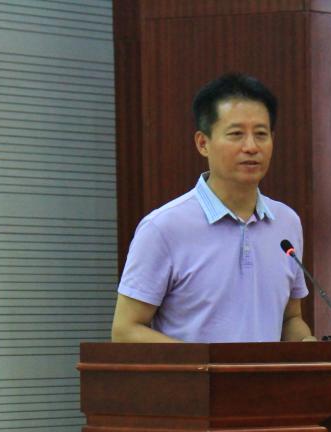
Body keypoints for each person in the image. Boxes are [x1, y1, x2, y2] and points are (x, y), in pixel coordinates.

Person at [111, 73, 315, 343]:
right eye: (236, 134)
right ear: (202, 143)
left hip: (265, 375)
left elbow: (290, 318)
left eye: (261, 134)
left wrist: (306, 345)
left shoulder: (286, 222)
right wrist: (206, 363)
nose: (251, 147)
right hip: (196, 373)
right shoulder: (163, 228)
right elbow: (125, 330)